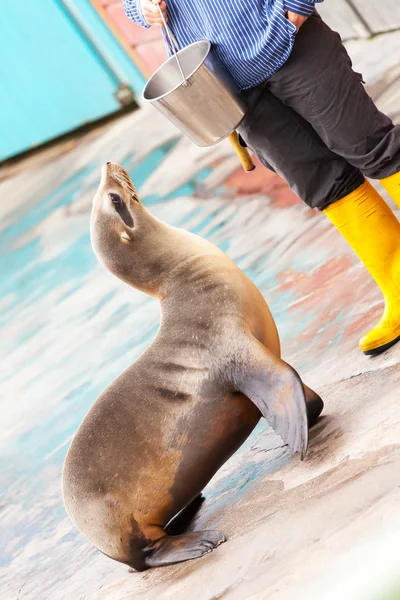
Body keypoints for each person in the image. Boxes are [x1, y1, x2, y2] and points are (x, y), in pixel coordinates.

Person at [122, 0, 400, 356]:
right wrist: (139, 6)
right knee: (324, 184)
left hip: (291, 40)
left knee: (373, 146)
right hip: (222, 78)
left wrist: (297, 6)